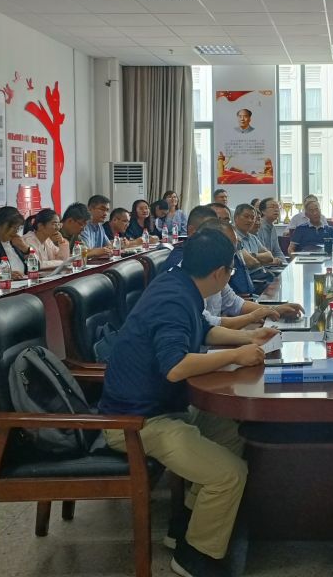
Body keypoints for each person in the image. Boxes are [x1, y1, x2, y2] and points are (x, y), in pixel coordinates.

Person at [98, 228, 278, 577]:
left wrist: (248, 338)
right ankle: (196, 558)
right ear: (219, 273)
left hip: (162, 408)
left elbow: (204, 329)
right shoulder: (173, 299)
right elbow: (176, 366)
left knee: (229, 429)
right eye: (230, 270)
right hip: (136, 422)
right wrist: (237, 356)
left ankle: (185, 525)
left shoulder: (179, 284)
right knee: (229, 474)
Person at [234, 204, 280, 271]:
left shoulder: (253, 238)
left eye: (252, 218)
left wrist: (253, 255)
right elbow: (251, 263)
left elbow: (269, 256)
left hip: (260, 273)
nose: (250, 220)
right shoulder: (233, 237)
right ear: (236, 218)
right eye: (246, 216)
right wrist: (262, 260)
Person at [0, 206, 28, 277]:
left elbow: (36, 267)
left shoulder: (15, 243)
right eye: (13, 227)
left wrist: (26, 249)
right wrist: (5, 275)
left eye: (18, 228)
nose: (16, 231)